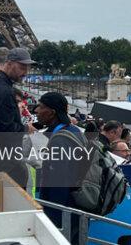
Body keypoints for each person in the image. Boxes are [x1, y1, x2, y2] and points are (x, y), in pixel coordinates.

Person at [37, 92, 91, 242]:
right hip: (77, 209)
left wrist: (53, 222)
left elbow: (59, 183)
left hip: (64, 214)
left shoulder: (60, 140)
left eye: (41, 107)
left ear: (52, 112)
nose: (36, 110)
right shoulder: (73, 131)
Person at [0, 48, 36, 187]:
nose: (25, 72)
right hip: (6, 159)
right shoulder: (4, 90)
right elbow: (5, 128)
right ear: (9, 63)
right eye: (22, 67)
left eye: (27, 68)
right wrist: (26, 128)